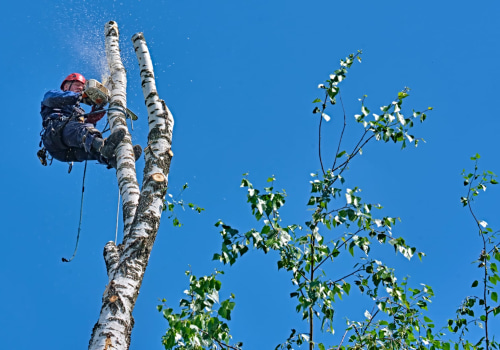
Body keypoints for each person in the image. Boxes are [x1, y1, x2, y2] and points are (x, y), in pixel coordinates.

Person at [39, 73, 141, 168]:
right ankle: (103, 146)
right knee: (83, 131)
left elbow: (87, 126)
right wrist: (80, 97)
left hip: (67, 151)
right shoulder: (53, 94)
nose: (80, 88)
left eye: (82, 86)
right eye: (77, 84)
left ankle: (117, 160)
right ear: (66, 86)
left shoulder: (79, 111)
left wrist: (95, 114)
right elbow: (52, 99)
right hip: (54, 135)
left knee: (92, 149)